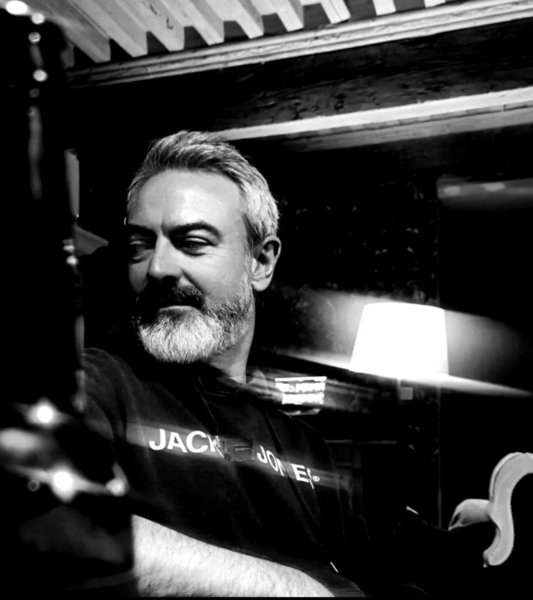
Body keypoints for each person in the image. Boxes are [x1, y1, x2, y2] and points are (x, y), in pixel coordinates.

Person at [81, 130, 367, 597]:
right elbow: (45, 519)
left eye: (192, 242)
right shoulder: (98, 383)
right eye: (139, 246)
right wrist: (294, 590)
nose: (157, 268)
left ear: (260, 262)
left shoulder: (306, 445)